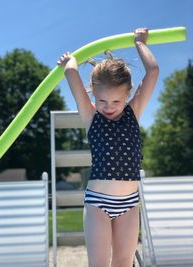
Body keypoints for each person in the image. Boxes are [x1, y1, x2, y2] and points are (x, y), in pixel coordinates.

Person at [57, 28, 159, 267]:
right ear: (93, 94)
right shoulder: (92, 117)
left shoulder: (133, 113)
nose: (108, 106)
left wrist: (140, 43)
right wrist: (69, 61)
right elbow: (71, 71)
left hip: (129, 203)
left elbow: (153, 71)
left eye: (116, 101)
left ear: (128, 95)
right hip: (98, 203)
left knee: (123, 262)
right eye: (101, 100)